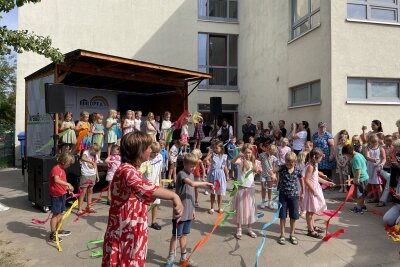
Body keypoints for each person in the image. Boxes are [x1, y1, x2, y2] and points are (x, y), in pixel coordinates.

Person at [102, 132, 183, 267]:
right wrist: (174, 196)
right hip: (124, 233)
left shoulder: (132, 169)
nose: (151, 150)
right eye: (148, 147)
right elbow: (144, 187)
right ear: (139, 151)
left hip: (132, 231)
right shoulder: (127, 170)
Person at [166, 153, 213, 267]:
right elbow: (192, 184)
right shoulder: (182, 174)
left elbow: (191, 194)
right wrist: (205, 183)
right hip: (179, 212)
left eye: (194, 166)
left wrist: (192, 210)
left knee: (184, 235)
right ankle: (171, 258)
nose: (193, 168)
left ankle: (183, 257)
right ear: (185, 164)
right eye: (191, 166)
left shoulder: (191, 175)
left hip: (188, 211)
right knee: (176, 235)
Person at [303, 148, 335, 239]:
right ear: (315, 157)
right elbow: (306, 180)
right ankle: (310, 230)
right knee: (310, 211)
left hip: (315, 189)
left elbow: (316, 178)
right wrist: (313, 191)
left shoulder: (315, 165)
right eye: (320, 157)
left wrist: (326, 182)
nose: (321, 159)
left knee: (313, 210)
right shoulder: (310, 166)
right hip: (311, 191)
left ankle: (313, 226)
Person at [273, 152, 302, 245]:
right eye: (287, 163)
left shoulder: (297, 170)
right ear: (285, 161)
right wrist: (273, 174)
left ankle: (292, 235)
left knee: (293, 216)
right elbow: (272, 170)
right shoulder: (282, 168)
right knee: (282, 216)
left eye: (291, 163)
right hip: (283, 196)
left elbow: (302, 180)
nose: (289, 165)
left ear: (295, 162)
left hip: (294, 196)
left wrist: (303, 192)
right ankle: (282, 235)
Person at [231, 144, 259, 239]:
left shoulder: (253, 162)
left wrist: (256, 172)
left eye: (250, 152)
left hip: (250, 189)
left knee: (250, 209)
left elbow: (254, 173)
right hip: (241, 189)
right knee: (240, 209)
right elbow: (233, 161)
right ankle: (239, 229)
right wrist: (239, 155)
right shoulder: (240, 161)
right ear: (243, 152)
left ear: (252, 153)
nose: (248, 154)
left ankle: (250, 228)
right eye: (246, 152)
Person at [48, 152, 75, 242]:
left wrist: (68, 189)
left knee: (61, 213)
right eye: (69, 163)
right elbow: (56, 180)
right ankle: (52, 234)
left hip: (62, 194)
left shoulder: (62, 170)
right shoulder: (56, 169)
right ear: (64, 161)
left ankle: (58, 230)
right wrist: (68, 184)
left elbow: (63, 181)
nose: (70, 165)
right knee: (56, 214)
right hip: (56, 195)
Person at [140, 142, 164, 230]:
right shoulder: (146, 159)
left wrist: (160, 182)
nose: (156, 154)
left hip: (156, 184)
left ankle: (154, 222)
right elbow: (140, 173)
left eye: (158, 152)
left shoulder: (160, 157)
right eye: (154, 152)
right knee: (144, 205)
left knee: (155, 204)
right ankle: (143, 222)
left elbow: (160, 171)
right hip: (146, 185)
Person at [342, 144, 369, 214]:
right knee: (362, 193)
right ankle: (363, 206)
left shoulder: (355, 158)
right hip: (365, 177)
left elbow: (358, 170)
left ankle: (359, 208)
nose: (347, 157)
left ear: (349, 153)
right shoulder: (359, 155)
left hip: (361, 179)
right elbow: (365, 162)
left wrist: (356, 179)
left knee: (359, 194)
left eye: (347, 155)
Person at [204, 141, 229, 214]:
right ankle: (212, 207)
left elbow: (225, 167)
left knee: (220, 192)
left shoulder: (224, 156)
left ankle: (220, 207)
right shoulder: (212, 154)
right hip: (213, 174)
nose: (215, 149)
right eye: (214, 148)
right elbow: (205, 160)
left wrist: (227, 175)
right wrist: (209, 158)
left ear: (221, 148)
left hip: (220, 174)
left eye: (217, 148)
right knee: (212, 192)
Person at [77, 143, 100, 215]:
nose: (96, 153)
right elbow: (82, 158)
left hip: (92, 174)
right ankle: (79, 209)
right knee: (83, 191)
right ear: (92, 150)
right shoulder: (86, 152)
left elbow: (95, 165)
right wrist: (91, 161)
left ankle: (89, 206)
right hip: (86, 174)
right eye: (95, 152)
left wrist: (97, 175)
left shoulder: (95, 155)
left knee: (90, 190)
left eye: (97, 152)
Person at [363, 134, 386, 206]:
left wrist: (382, 163)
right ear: (369, 141)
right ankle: (375, 197)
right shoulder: (367, 148)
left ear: (378, 141)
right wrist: (372, 159)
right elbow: (366, 156)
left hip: (377, 168)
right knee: (372, 183)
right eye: (372, 142)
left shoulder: (380, 148)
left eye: (375, 142)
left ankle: (381, 200)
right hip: (370, 167)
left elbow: (384, 158)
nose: (374, 143)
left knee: (378, 184)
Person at [383, 139, 400, 226]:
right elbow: (393, 173)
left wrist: (396, 163)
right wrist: (392, 185)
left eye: (397, 147)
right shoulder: (395, 156)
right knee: (387, 220)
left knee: (397, 223)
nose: (396, 149)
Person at [259, 140, 279, 209]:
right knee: (263, 188)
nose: (270, 153)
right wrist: (258, 169)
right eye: (270, 151)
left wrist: (274, 174)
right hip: (263, 174)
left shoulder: (274, 157)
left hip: (271, 175)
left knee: (270, 188)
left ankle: (270, 201)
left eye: (272, 152)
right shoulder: (262, 155)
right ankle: (263, 201)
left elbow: (275, 167)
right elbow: (258, 163)